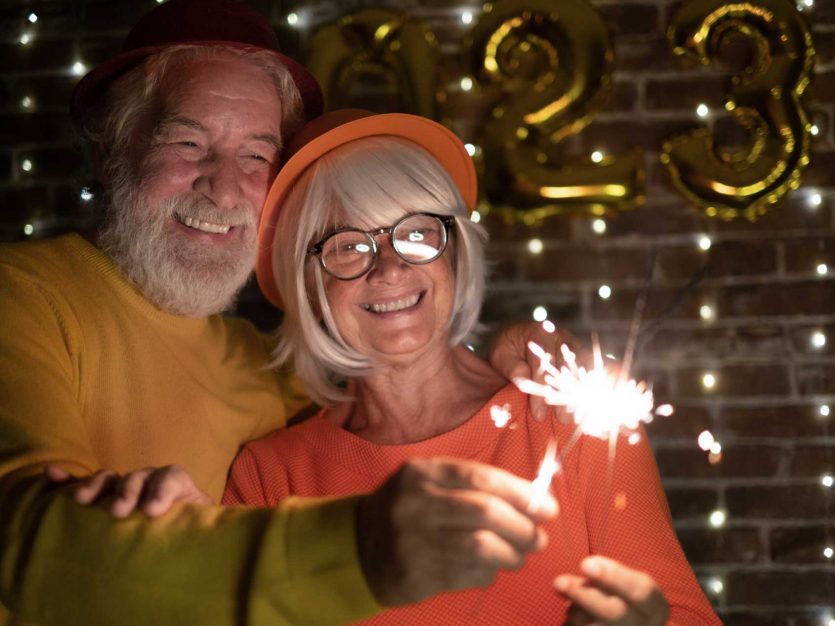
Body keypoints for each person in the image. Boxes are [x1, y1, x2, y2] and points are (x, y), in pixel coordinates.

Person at [0, 1, 561, 624]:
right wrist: (353, 550)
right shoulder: (21, 296)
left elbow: (396, 379)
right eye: (187, 142)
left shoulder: (267, 368)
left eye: (256, 157)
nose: (222, 186)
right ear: (115, 149)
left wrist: (516, 350)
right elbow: (28, 540)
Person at [205, 109, 718, 624]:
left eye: (417, 234)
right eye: (348, 246)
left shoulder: (569, 422)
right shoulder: (268, 477)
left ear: (454, 253)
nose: (388, 269)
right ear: (309, 285)